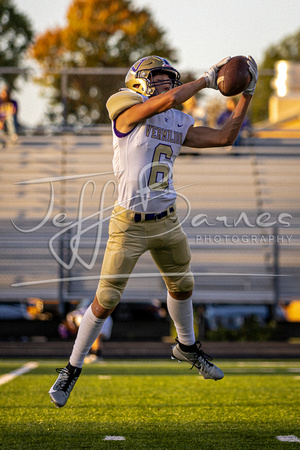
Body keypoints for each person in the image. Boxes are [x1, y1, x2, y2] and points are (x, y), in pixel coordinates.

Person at [49, 54, 258, 408]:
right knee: (105, 302)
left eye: (169, 78)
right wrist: (206, 80)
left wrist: (247, 94)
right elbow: (166, 100)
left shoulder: (176, 119)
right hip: (128, 224)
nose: (167, 84)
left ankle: (187, 347)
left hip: (166, 219)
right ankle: (71, 369)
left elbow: (224, 138)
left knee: (183, 285)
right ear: (140, 82)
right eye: (160, 78)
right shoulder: (124, 105)